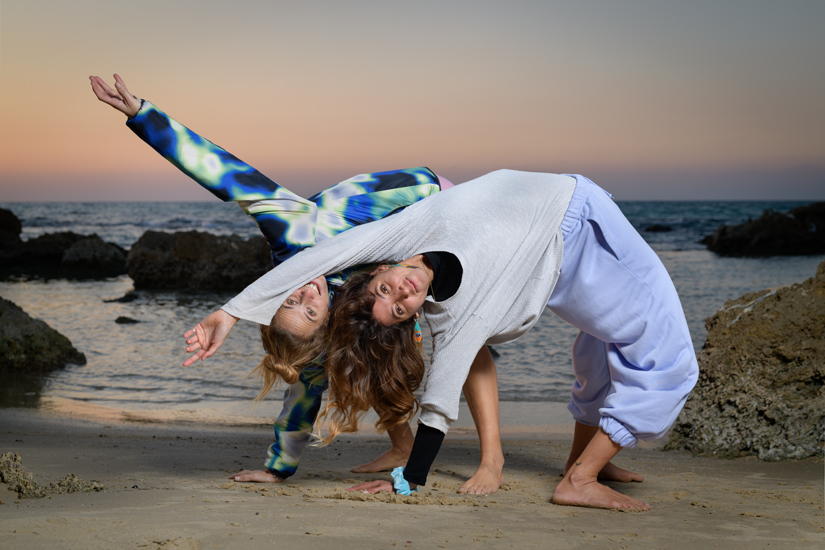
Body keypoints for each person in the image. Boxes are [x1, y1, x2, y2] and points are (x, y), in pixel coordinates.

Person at [89, 74, 505, 494]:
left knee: (466, 337)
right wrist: (278, 469)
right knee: (367, 346)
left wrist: (143, 116)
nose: (306, 292)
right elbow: (302, 397)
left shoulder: (293, 233)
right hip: (407, 264)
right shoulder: (340, 316)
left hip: (433, 201)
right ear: (323, 320)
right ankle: (404, 446)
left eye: (291, 299)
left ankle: (492, 459)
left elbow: (228, 175)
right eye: (310, 309)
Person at [200, 169, 699, 510]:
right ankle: (580, 480)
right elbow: (438, 405)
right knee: (670, 359)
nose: (402, 292)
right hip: (573, 232)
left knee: (602, 342)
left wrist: (232, 311)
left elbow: (316, 258)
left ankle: (581, 461)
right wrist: (408, 481)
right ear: (412, 316)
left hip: (565, 232)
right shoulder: (462, 316)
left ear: (378, 271)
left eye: (386, 290)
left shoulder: (406, 231)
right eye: (399, 309)